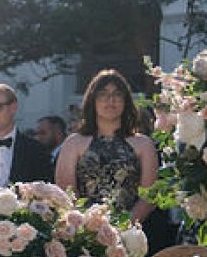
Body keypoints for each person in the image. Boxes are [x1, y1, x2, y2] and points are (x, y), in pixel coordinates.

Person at [55, 69, 162, 241]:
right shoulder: (73, 143)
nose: (110, 100)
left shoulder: (144, 144)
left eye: (117, 94)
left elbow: (149, 196)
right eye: (103, 94)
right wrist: (89, 229)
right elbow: (66, 191)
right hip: (83, 236)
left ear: (126, 101)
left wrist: (121, 229)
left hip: (130, 236)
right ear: (92, 100)